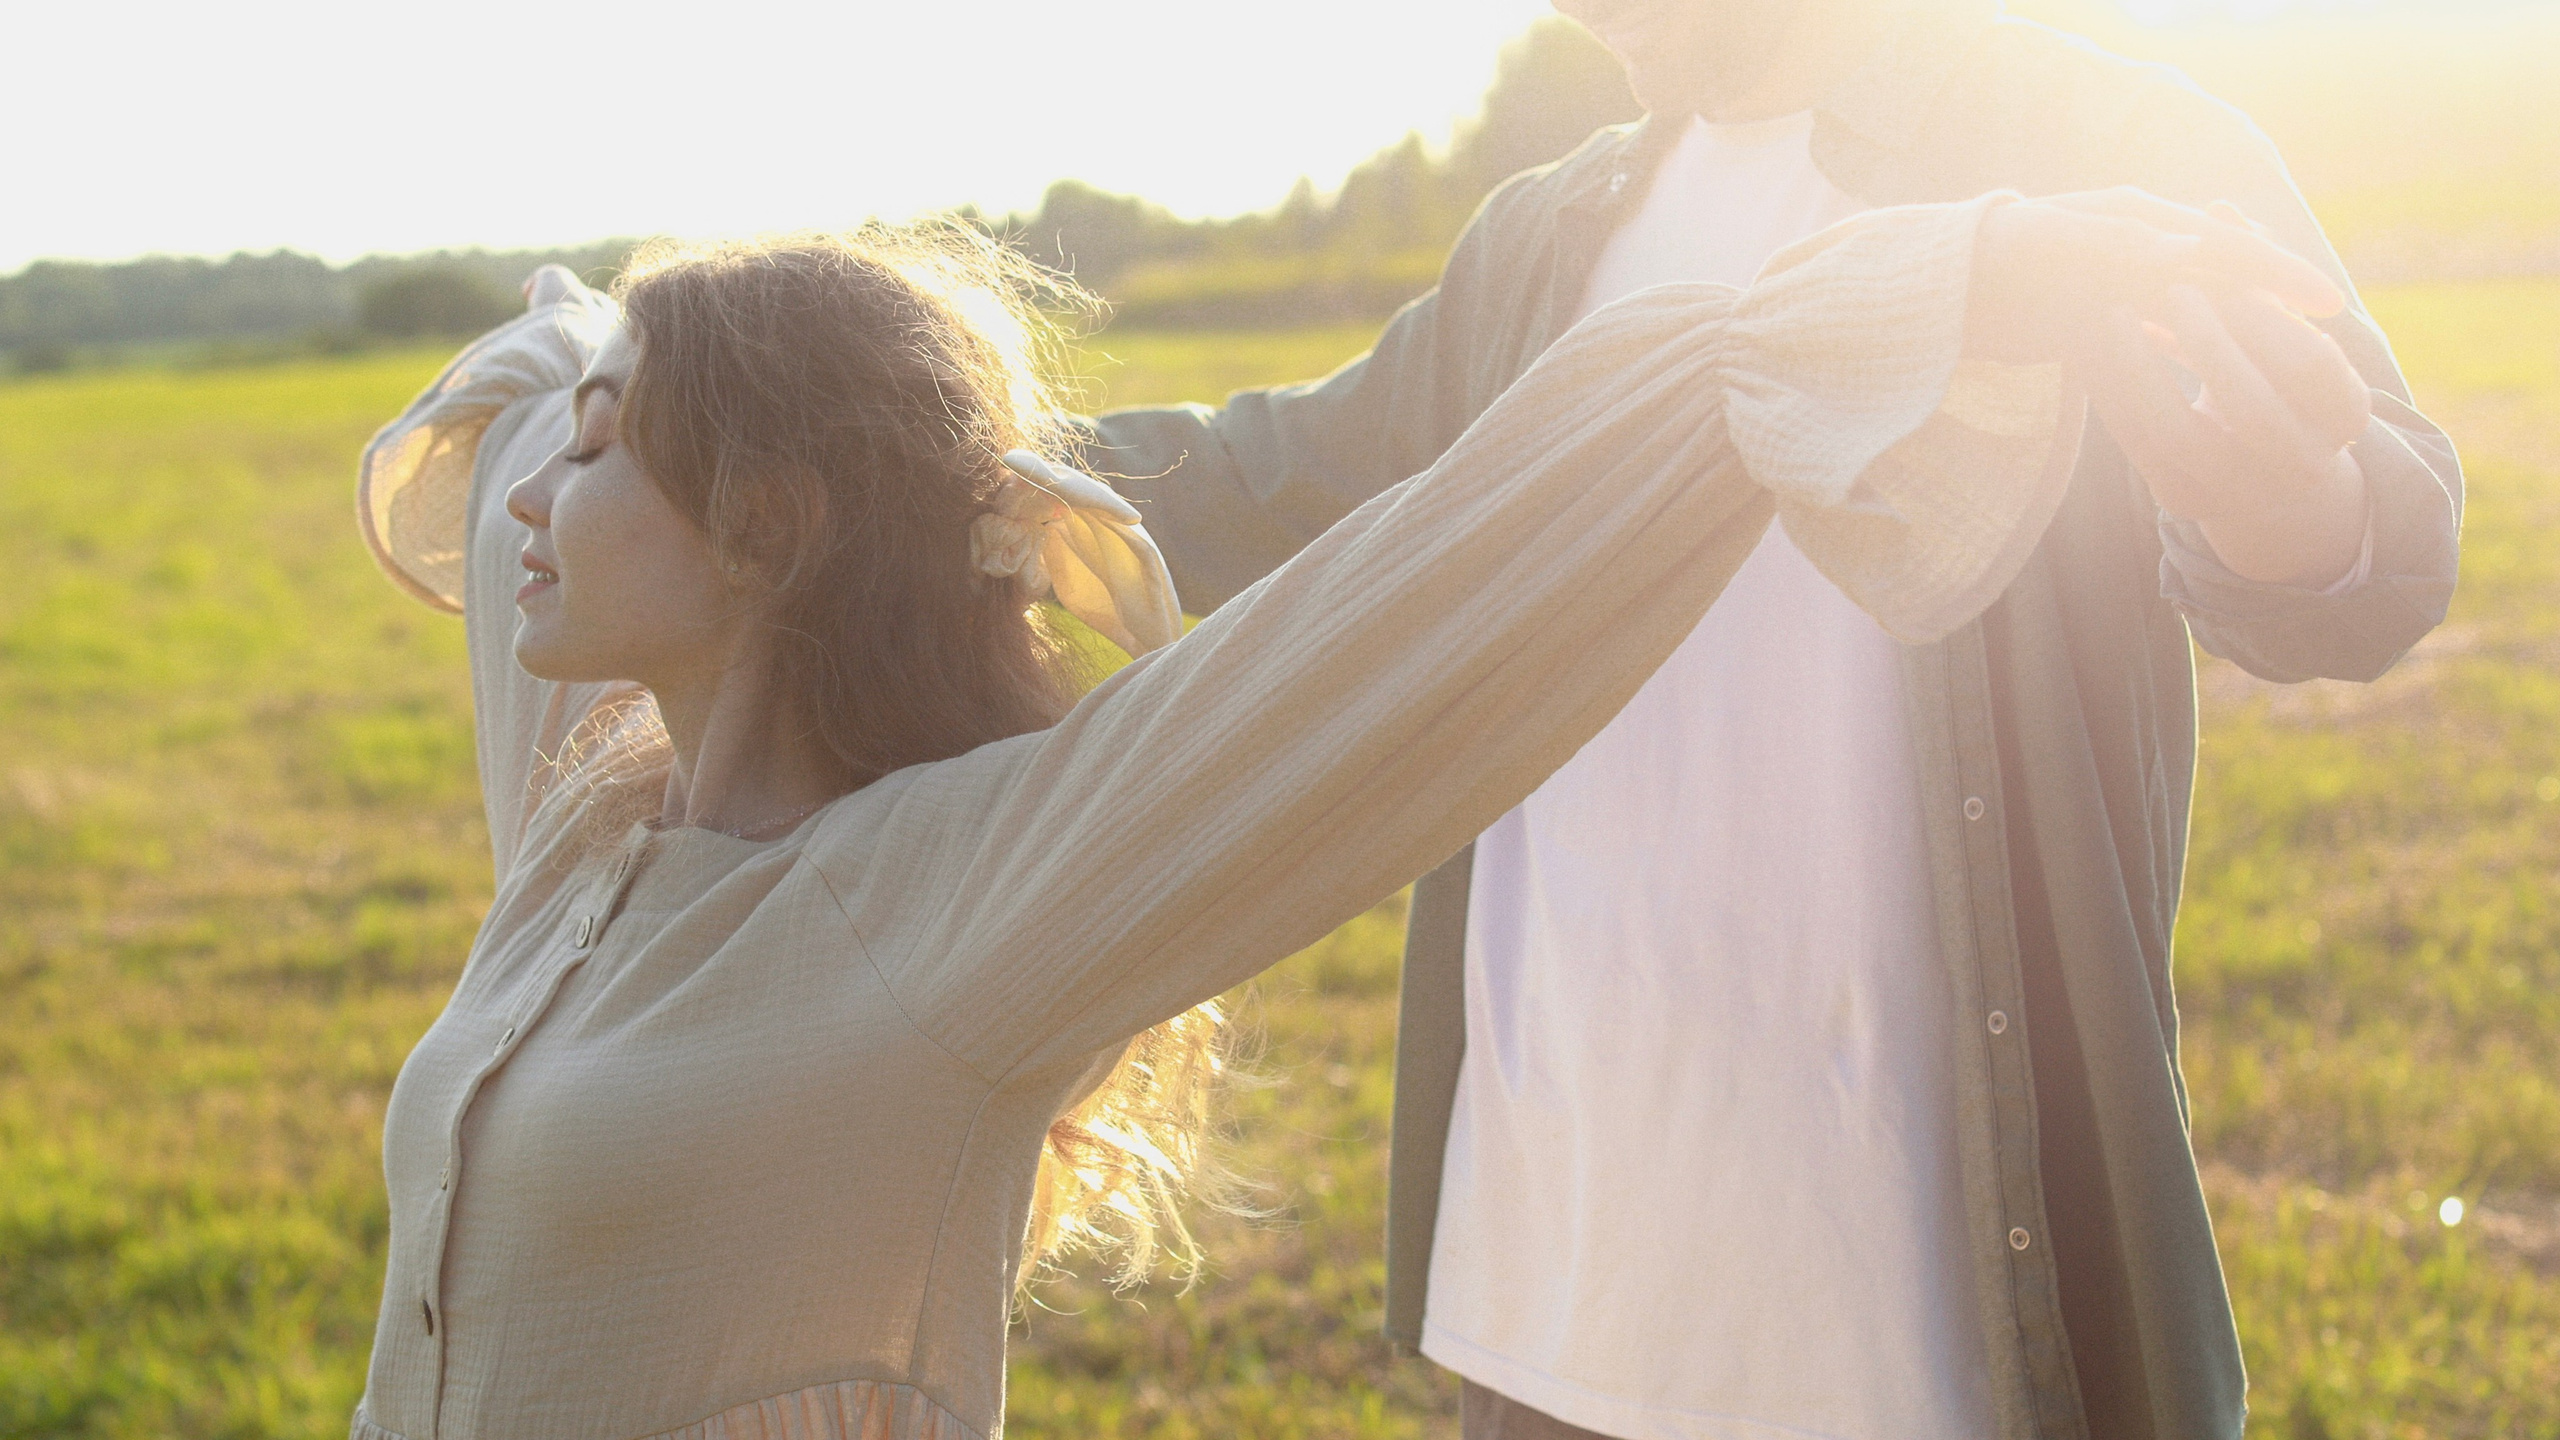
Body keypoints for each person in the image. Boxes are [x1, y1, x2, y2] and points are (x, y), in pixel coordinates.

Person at [345, 195, 2321, 1439]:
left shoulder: (957, 908)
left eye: (604, 458)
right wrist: (575, 363)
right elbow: (530, 398)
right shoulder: (591, 835)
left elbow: (1405, 619)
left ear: (765, 521)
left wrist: (1938, 286)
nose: (528, 498)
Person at [1080, 2, 2463, 1438]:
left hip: (1922, 1341)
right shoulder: (1547, 229)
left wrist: (2298, 511)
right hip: (1547, 1293)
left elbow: (2387, 537)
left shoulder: (2095, 140)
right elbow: (1280, 474)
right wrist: (923, 456)